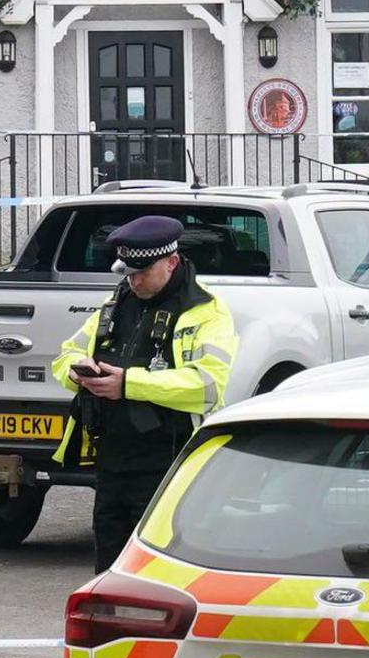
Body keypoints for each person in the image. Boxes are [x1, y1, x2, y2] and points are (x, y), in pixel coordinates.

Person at [51, 213, 237, 565]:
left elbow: (208, 385)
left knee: (155, 566)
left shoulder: (205, 311)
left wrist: (129, 384)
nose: (133, 281)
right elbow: (65, 354)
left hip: (169, 458)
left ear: (171, 262)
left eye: (142, 272)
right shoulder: (118, 304)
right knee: (109, 562)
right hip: (112, 458)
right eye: (128, 272)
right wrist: (79, 373)